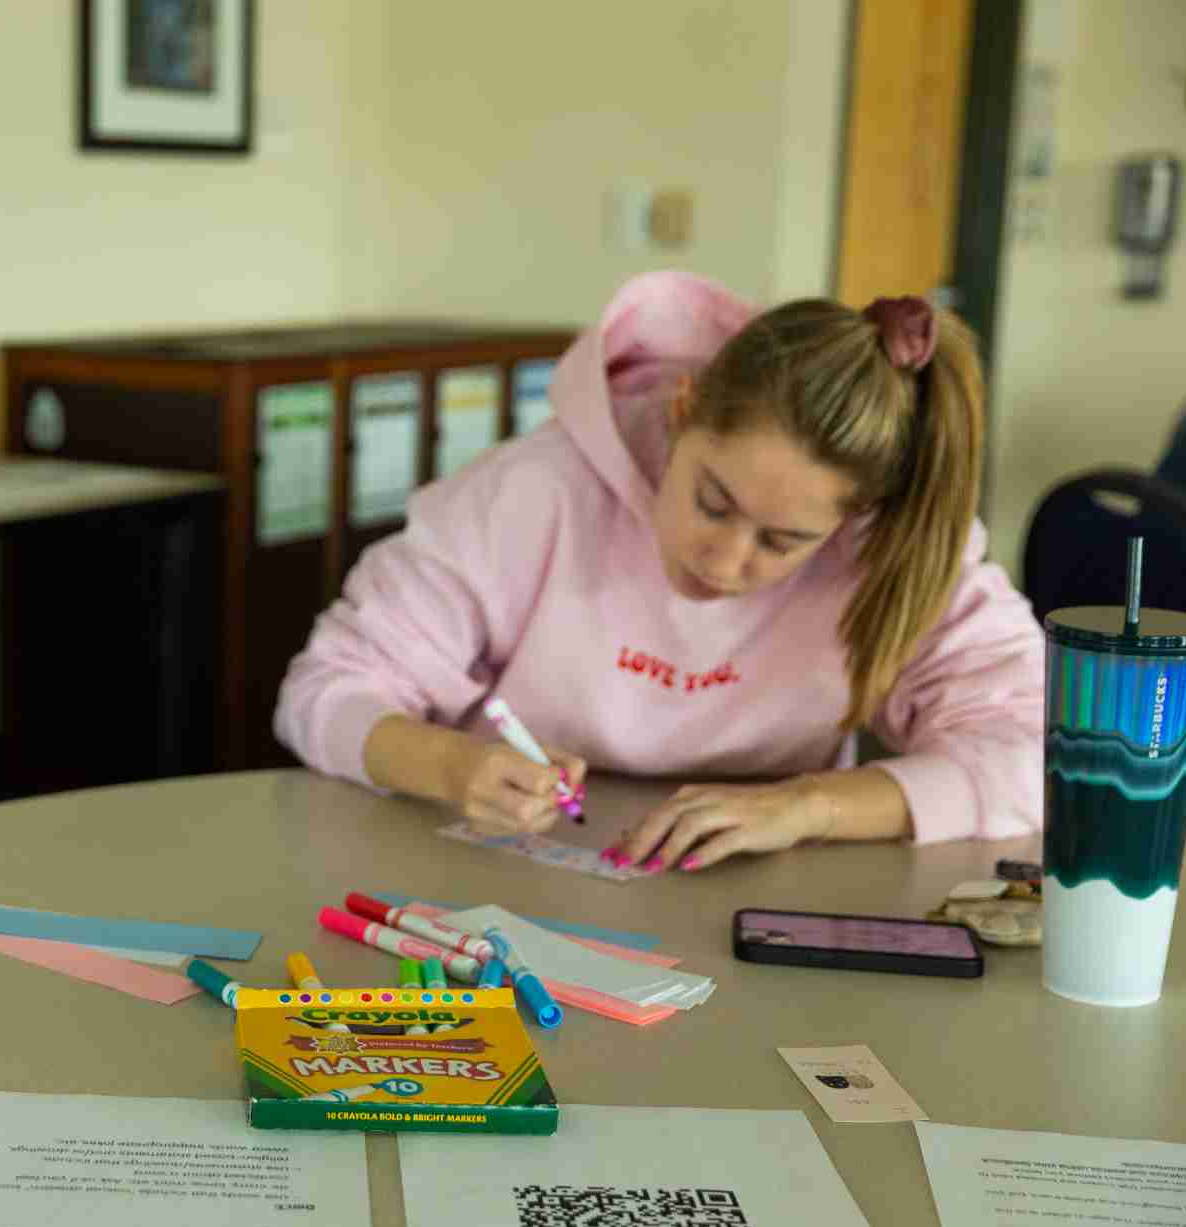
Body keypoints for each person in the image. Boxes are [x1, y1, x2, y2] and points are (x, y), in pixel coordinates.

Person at [275, 270, 1043, 873]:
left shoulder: (891, 544)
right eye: (712, 502)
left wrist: (810, 806)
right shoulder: (533, 493)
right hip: (487, 872)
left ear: (847, 523)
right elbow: (323, 691)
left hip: (761, 894)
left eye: (783, 541)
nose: (727, 558)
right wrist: (449, 764)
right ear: (683, 410)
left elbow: (1039, 752)